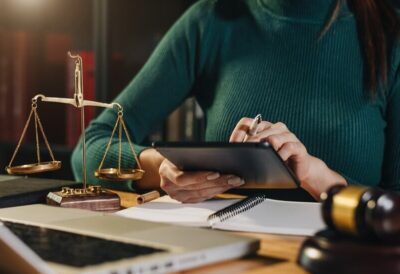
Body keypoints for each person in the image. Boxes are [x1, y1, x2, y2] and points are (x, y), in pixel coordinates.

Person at [72, 0, 400, 202]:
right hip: (224, 264)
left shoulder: (390, 37)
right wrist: (160, 168)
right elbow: (90, 147)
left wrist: (318, 177)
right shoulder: (211, 21)